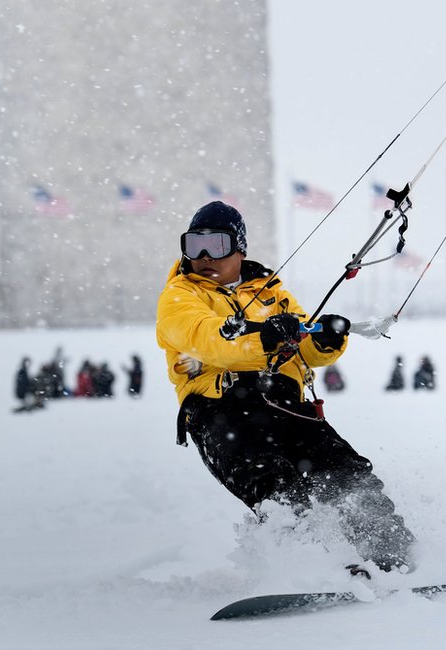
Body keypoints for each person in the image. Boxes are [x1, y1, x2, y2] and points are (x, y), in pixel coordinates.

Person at [156, 200, 414, 574]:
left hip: (283, 406)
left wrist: (325, 339)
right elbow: (211, 341)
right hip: (221, 412)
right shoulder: (180, 296)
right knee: (278, 488)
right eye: (195, 246)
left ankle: (399, 559)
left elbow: (303, 348)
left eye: (217, 245)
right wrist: (265, 336)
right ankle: (311, 568)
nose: (204, 257)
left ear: (240, 249)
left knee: (349, 476)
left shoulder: (270, 291)